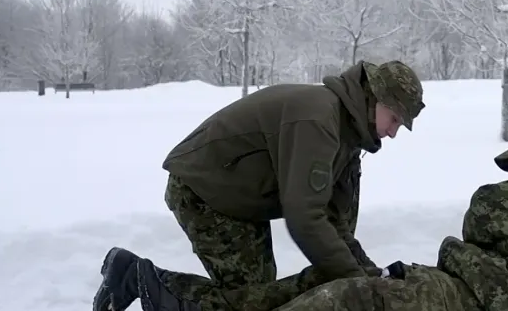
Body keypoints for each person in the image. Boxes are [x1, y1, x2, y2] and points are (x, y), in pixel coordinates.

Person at [95, 120, 508, 311]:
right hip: (470, 288)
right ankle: (178, 297)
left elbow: (483, 209)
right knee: (326, 278)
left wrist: (469, 249)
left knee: (354, 298)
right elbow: (486, 223)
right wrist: (471, 252)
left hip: (487, 304)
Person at [155, 60, 424, 291]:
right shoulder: (318, 120)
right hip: (203, 185)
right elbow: (305, 217)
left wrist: (369, 274)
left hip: (239, 195)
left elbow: (334, 219)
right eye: (394, 119)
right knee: (248, 300)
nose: (393, 133)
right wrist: (356, 283)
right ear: (375, 99)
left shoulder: (350, 134)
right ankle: (153, 287)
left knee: (259, 294)